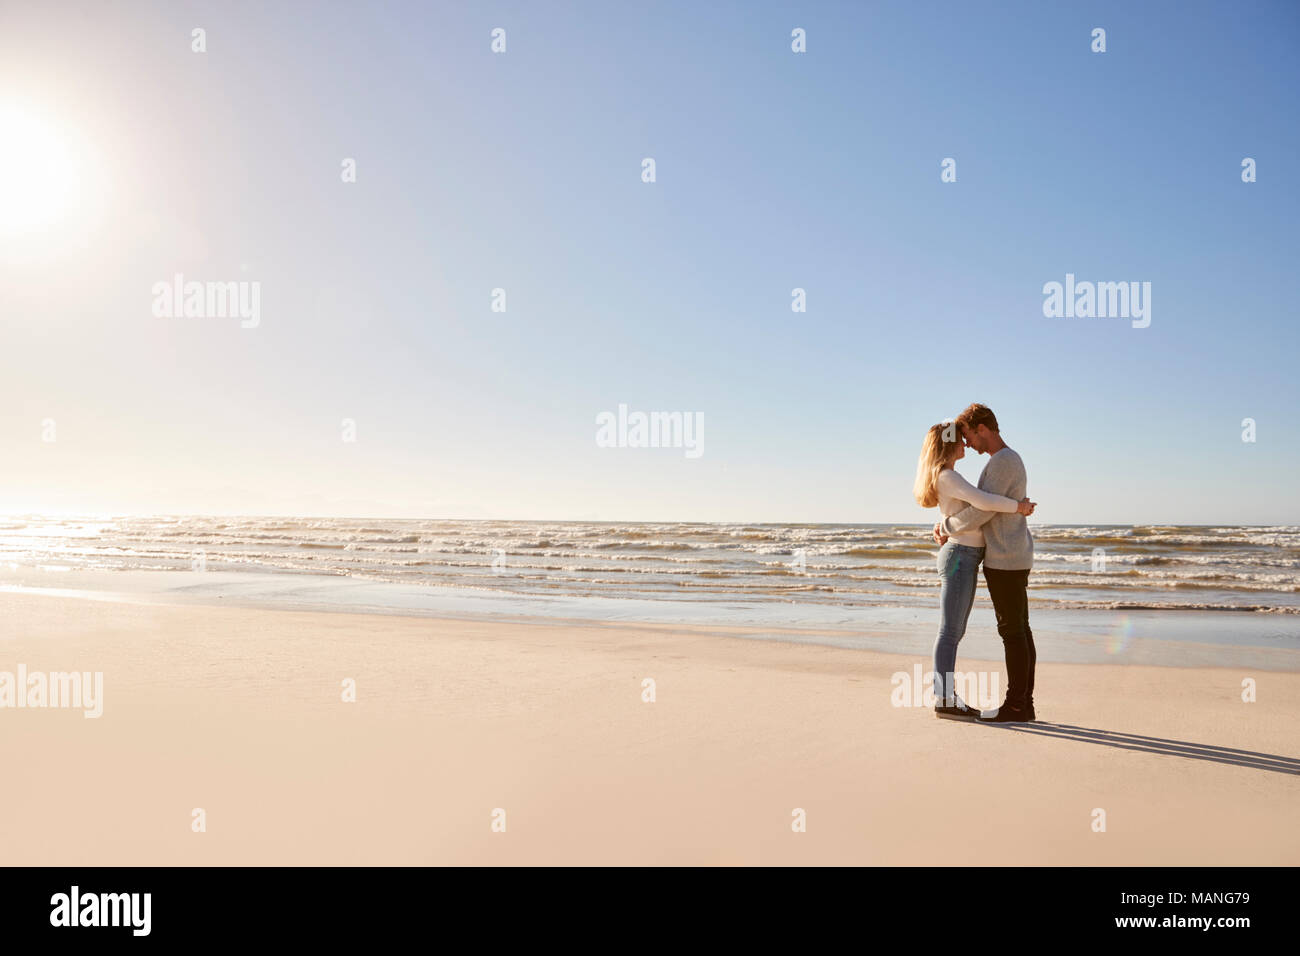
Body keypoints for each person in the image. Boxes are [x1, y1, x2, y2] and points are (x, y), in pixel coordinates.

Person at [914, 420, 1035, 720]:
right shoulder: (947, 476)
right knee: (949, 631)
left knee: (954, 631)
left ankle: (946, 697)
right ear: (947, 443)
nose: (964, 443)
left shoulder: (950, 476)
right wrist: (1017, 508)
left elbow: (974, 507)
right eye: (959, 439)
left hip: (965, 556)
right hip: (959, 555)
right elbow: (983, 502)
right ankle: (944, 698)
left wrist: (945, 525)